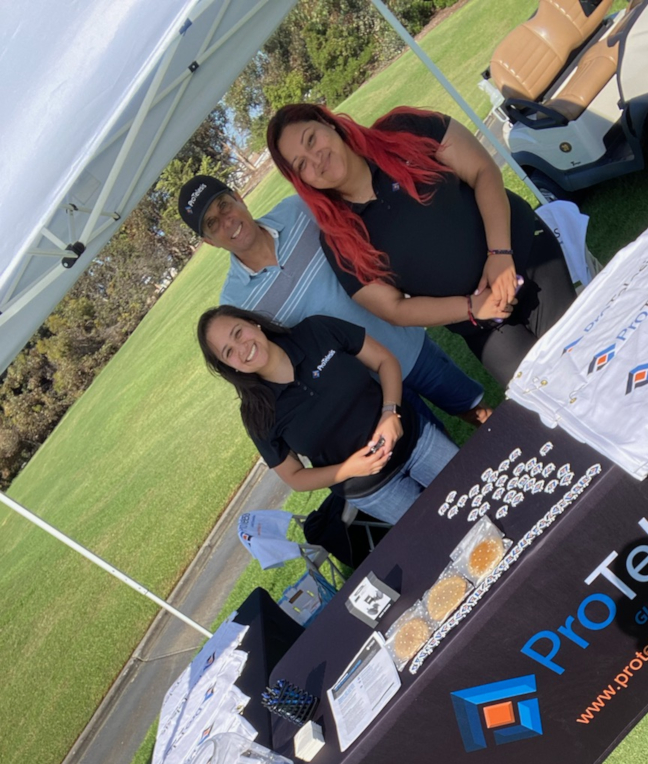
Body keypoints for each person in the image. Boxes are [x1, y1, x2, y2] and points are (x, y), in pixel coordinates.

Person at [266, 104, 578, 388]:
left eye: (311, 140)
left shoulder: (404, 129)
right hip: (480, 323)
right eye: (301, 164)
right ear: (301, 181)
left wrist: (499, 254)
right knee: (545, 397)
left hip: (527, 260)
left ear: (329, 123)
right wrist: (472, 307)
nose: (315, 160)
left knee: (583, 354)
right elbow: (394, 308)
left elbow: (483, 171)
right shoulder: (338, 240)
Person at [178, 175, 489, 425]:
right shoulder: (234, 305)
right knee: (441, 463)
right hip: (366, 390)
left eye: (223, 205)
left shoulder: (298, 210)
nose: (226, 221)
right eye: (212, 223)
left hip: (406, 342)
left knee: (479, 413)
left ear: (238, 197)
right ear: (208, 241)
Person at [197, 304, 456, 524]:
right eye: (229, 352)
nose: (242, 349)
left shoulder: (315, 331)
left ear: (253, 323)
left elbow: (384, 361)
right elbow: (295, 478)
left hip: (417, 442)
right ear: (228, 366)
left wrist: (390, 413)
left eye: (238, 333)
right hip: (374, 491)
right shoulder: (255, 415)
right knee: (439, 539)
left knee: (481, 488)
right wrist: (347, 469)